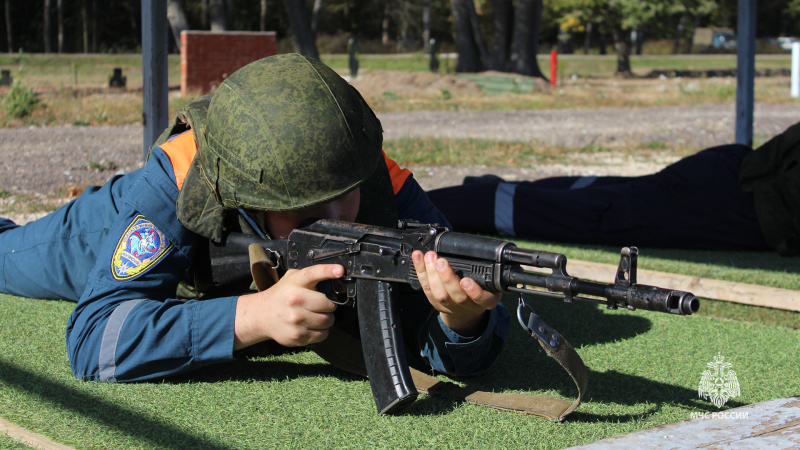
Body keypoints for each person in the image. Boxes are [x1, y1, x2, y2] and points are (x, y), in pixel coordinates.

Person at [0, 54, 509, 382]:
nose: (336, 220)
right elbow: (94, 342)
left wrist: (462, 319)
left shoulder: (375, 175)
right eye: (305, 211)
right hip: (102, 231)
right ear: (242, 197)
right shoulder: (175, 179)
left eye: (346, 196)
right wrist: (255, 317)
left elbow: (458, 329)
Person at [427, 122, 800, 256]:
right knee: (591, 212)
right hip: (735, 200)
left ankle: (486, 194)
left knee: (595, 197)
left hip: (731, 183)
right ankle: (441, 204)